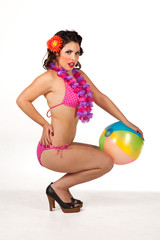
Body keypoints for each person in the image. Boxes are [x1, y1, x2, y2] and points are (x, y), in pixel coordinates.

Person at [16, 30, 144, 213]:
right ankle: (58, 188)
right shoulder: (49, 79)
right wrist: (44, 124)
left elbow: (100, 98)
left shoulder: (79, 76)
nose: (73, 57)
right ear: (56, 51)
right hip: (52, 150)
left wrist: (126, 122)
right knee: (105, 162)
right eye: (68, 52)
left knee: (106, 155)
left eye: (77, 53)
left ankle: (59, 188)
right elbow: (22, 100)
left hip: (67, 146)